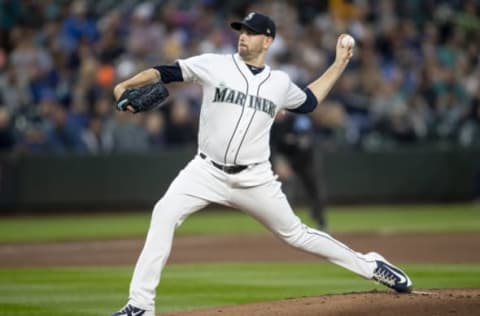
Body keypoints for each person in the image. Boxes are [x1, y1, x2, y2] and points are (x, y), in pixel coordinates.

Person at [111, 12, 412, 316]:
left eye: (252, 32)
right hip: (204, 171)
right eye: (242, 30)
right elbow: (166, 72)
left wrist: (338, 65)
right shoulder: (214, 64)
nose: (243, 35)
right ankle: (140, 305)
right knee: (164, 213)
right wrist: (125, 84)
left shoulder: (279, 83)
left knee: (296, 234)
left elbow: (309, 102)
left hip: (254, 178)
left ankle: (371, 265)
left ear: (267, 40)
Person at [271, 112, 328, 230]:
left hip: (307, 160)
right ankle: (286, 224)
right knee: (285, 191)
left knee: (315, 189)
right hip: (286, 159)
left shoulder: (299, 120)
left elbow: (305, 145)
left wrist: (290, 165)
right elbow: (272, 147)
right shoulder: (273, 124)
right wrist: (279, 162)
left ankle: (321, 222)